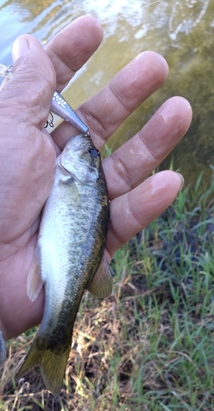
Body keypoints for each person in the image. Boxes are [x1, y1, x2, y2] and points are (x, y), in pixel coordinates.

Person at [0, 15, 192, 342]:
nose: (91, 151)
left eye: (91, 157)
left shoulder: (71, 174)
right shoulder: (71, 175)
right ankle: (52, 334)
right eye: (94, 157)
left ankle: (53, 337)